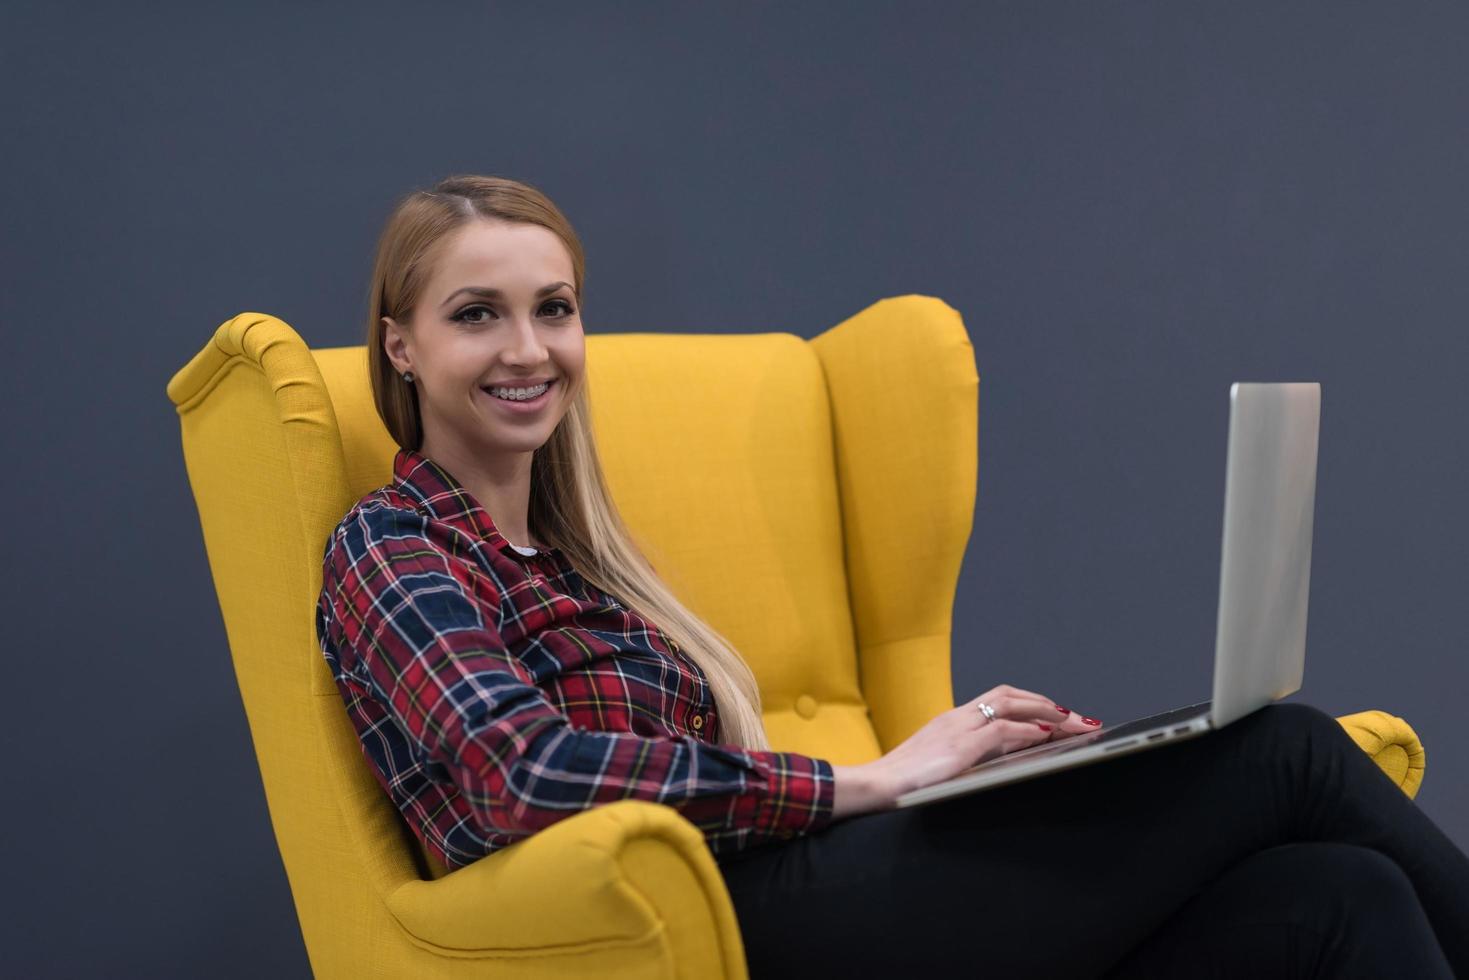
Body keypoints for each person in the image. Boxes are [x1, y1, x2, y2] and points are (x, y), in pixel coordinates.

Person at [315, 174, 1469, 977]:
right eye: (478, 315)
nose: (527, 348)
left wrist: (964, 772)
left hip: (825, 891)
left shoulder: (583, 561)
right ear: (400, 344)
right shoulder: (394, 543)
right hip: (728, 930)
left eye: (553, 309)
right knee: (1285, 750)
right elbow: (521, 773)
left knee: (1339, 899)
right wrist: (866, 783)